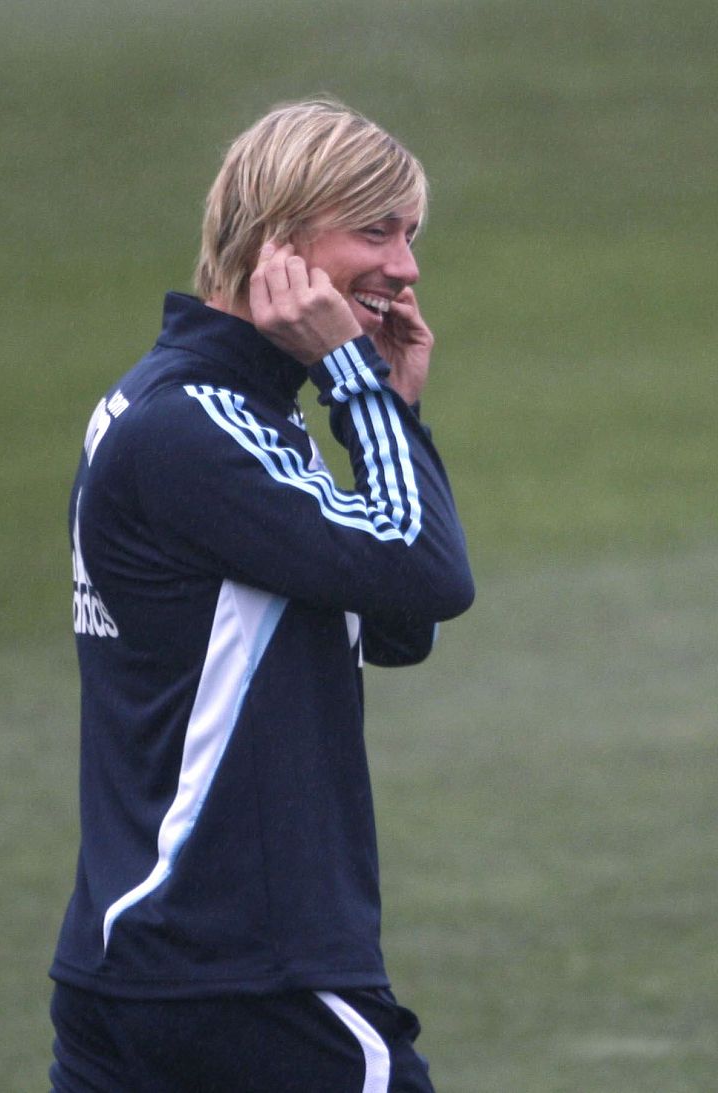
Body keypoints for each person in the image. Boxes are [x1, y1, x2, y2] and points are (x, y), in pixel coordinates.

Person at [48, 99, 474, 1091]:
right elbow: (431, 574)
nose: (405, 267)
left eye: (409, 234)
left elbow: (395, 625)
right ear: (279, 242)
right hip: (244, 977)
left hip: (153, 967)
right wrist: (356, 389)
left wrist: (395, 407)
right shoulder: (196, 427)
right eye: (375, 230)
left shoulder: (205, 410)